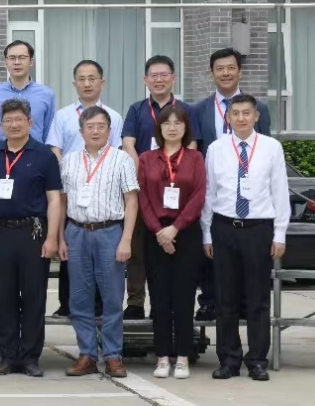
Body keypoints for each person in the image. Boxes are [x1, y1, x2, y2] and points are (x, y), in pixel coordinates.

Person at [202, 94, 289, 382]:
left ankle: (257, 360)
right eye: (235, 113)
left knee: (257, 298)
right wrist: (206, 233)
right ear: (228, 117)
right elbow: (209, 193)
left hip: (258, 229)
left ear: (256, 116)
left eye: (246, 113)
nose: (241, 118)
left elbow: (279, 191)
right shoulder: (216, 149)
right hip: (224, 227)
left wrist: (280, 233)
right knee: (225, 298)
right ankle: (228, 360)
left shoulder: (271, 148)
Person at [190, 47, 272, 322]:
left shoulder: (259, 109)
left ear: (239, 71)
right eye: (219, 69)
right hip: (215, 190)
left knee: (249, 253)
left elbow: (266, 147)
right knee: (211, 246)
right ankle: (210, 301)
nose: (225, 73)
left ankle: (246, 303)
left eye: (230, 68)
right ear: (211, 73)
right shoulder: (199, 109)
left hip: (250, 192)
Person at [0, 99, 62, 377]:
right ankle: (8, 356)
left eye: (19, 119)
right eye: (8, 120)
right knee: (3, 296)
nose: (14, 125)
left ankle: (29, 357)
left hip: (33, 232)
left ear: (30, 122)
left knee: (33, 296)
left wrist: (52, 237)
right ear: (1, 125)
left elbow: (54, 199)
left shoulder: (44, 155)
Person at [60, 107, 139, 379]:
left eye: (101, 126)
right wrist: (60, 237)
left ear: (109, 130)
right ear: (81, 131)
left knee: (112, 297)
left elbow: (131, 201)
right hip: (77, 231)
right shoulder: (69, 160)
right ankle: (87, 354)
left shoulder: (121, 159)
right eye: (90, 126)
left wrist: (126, 239)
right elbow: (61, 201)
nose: (95, 131)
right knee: (79, 297)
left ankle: (113, 355)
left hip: (109, 232)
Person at [120, 55, 197, 320]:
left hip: (177, 191)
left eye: (164, 75)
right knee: (138, 247)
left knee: (173, 245)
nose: (159, 80)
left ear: (173, 78)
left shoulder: (186, 110)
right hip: (143, 188)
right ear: (146, 80)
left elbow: (191, 145)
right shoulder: (136, 110)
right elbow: (128, 144)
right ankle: (135, 302)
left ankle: (165, 302)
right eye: (154, 75)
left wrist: (177, 175)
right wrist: (142, 174)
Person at [47, 59, 124, 317]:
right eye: (82, 79)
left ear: (102, 82)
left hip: (102, 192)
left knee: (102, 259)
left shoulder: (113, 117)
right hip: (72, 188)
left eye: (92, 78)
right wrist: (68, 174)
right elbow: (55, 148)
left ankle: (100, 306)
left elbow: (116, 151)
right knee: (71, 249)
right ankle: (67, 304)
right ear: (74, 83)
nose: (87, 83)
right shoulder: (63, 116)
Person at [138, 104, 205, 380]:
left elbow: (199, 195)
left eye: (178, 123)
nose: (173, 127)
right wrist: (159, 231)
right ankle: (163, 356)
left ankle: (183, 356)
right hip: (155, 235)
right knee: (160, 298)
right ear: (160, 128)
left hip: (185, 233)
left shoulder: (195, 158)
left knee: (184, 297)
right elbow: (142, 197)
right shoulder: (146, 158)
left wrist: (175, 229)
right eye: (167, 123)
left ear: (185, 128)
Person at [0, 40, 56, 143]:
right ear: (6, 62)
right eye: (12, 58)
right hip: (2, 152)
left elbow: (49, 134)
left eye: (22, 57)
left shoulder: (47, 95)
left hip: (36, 152)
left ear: (31, 62)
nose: (17, 62)